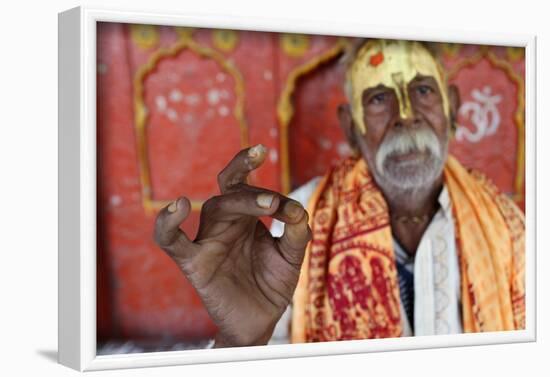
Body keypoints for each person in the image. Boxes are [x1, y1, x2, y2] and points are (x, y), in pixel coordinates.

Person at [153, 39, 525, 347]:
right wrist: (242, 342)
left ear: (453, 108)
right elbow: (252, 342)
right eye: (379, 97)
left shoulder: (506, 226)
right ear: (350, 127)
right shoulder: (298, 222)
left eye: (423, 90)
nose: (406, 114)